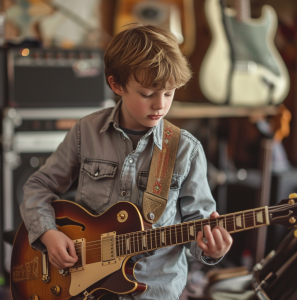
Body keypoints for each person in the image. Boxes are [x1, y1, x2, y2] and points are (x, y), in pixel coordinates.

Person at [21, 24, 233, 300]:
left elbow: (199, 226)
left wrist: (211, 250)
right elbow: (38, 186)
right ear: (116, 85)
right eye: (147, 94)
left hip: (154, 291)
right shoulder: (86, 132)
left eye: (169, 93)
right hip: (85, 286)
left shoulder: (185, 149)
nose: (160, 104)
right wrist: (48, 234)